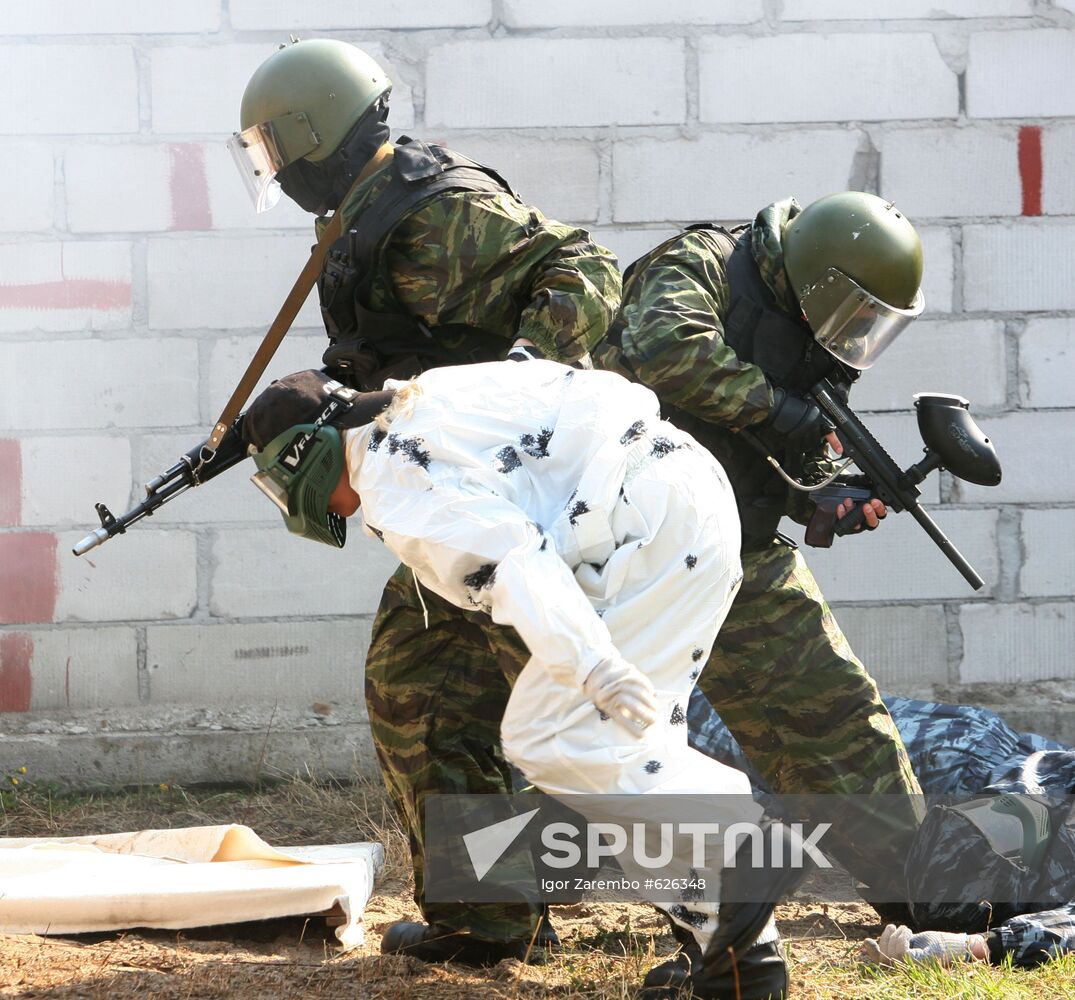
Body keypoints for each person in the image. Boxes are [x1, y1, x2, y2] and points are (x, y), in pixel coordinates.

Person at [239, 361, 808, 1000]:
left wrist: (591, 663)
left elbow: (517, 560)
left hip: (647, 531)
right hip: (683, 502)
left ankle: (751, 845)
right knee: (636, 762)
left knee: (551, 741)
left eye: (280, 480)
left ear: (305, 454)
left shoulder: (391, 478)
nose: (289, 501)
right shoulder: (424, 404)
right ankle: (741, 970)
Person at [228, 38, 621, 961]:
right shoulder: (366, 218)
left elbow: (586, 268)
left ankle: (702, 926)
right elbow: (402, 350)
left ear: (314, 129)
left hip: (527, 503)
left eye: (277, 150)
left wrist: (520, 379)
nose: (275, 172)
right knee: (425, 689)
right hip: (467, 504)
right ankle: (488, 918)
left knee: (532, 713)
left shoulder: (435, 214)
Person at [593, 191, 930, 995]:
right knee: (625, 754)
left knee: (838, 720)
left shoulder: (815, 339)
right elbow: (662, 353)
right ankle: (714, 947)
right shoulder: (703, 265)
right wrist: (783, 416)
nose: (855, 335)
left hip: (738, 549)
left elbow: (788, 451)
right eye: (855, 310)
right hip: (631, 556)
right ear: (819, 279)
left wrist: (823, 497)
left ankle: (934, 898)